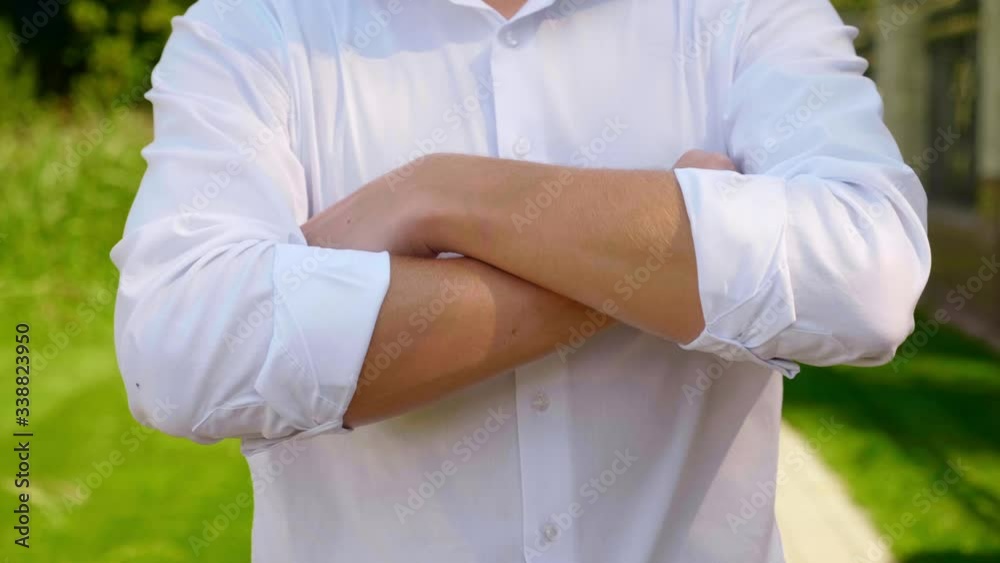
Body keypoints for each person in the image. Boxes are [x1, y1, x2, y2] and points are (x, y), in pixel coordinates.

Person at [111, 0, 931, 561]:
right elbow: (181, 347)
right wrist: (649, 257)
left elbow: (869, 271)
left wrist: (438, 195)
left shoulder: (741, 11)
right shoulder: (256, 24)